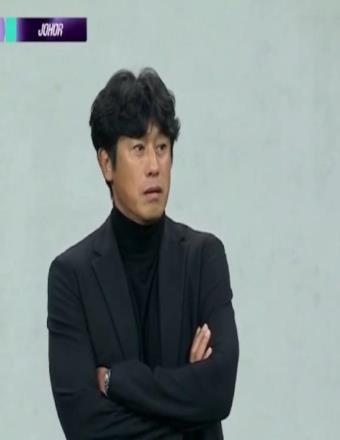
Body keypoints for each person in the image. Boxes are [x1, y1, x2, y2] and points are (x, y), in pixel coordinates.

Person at [47, 67, 239, 439]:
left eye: (162, 147)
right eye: (138, 148)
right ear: (107, 163)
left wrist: (117, 382)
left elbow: (218, 392)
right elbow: (84, 424)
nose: (154, 166)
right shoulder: (71, 276)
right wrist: (188, 411)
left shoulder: (204, 258)